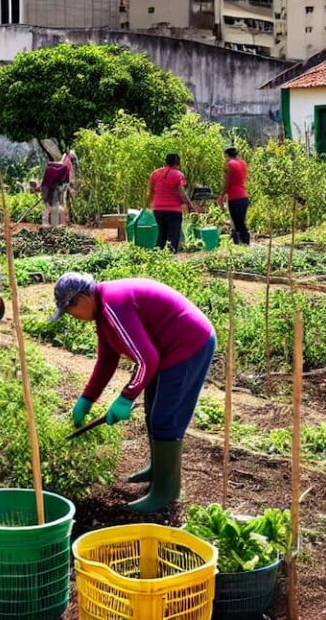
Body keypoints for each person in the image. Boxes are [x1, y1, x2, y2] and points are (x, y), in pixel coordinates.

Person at [55, 272, 216, 512]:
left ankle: (167, 491)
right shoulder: (103, 312)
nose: (73, 317)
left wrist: (126, 398)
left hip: (188, 345)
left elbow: (147, 360)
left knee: (165, 417)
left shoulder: (113, 305)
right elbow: (107, 360)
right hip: (167, 348)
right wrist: (86, 399)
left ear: (80, 300)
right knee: (153, 411)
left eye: (70, 311)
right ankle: (158, 470)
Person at [147, 153, 193, 253]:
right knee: (173, 235)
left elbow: (150, 192)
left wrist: (148, 205)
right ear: (178, 163)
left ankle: (158, 255)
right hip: (173, 210)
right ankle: (171, 256)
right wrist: (190, 205)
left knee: (162, 234)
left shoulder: (155, 173)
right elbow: (182, 193)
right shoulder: (178, 174)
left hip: (158, 209)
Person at [217, 146, 250, 245]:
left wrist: (221, 195)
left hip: (234, 197)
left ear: (227, 155)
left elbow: (227, 182)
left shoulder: (229, 164)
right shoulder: (243, 163)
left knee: (237, 222)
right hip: (244, 195)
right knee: (241, 221)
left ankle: (242, 243)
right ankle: (244, 241)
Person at [40, 150, 75, 227]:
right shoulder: (64, 168)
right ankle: (59, 224)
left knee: (50, 207)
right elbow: (66, 182)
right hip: (51, 188)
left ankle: (52, 224)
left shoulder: (60, 168)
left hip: (49, 188)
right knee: (54, 207)